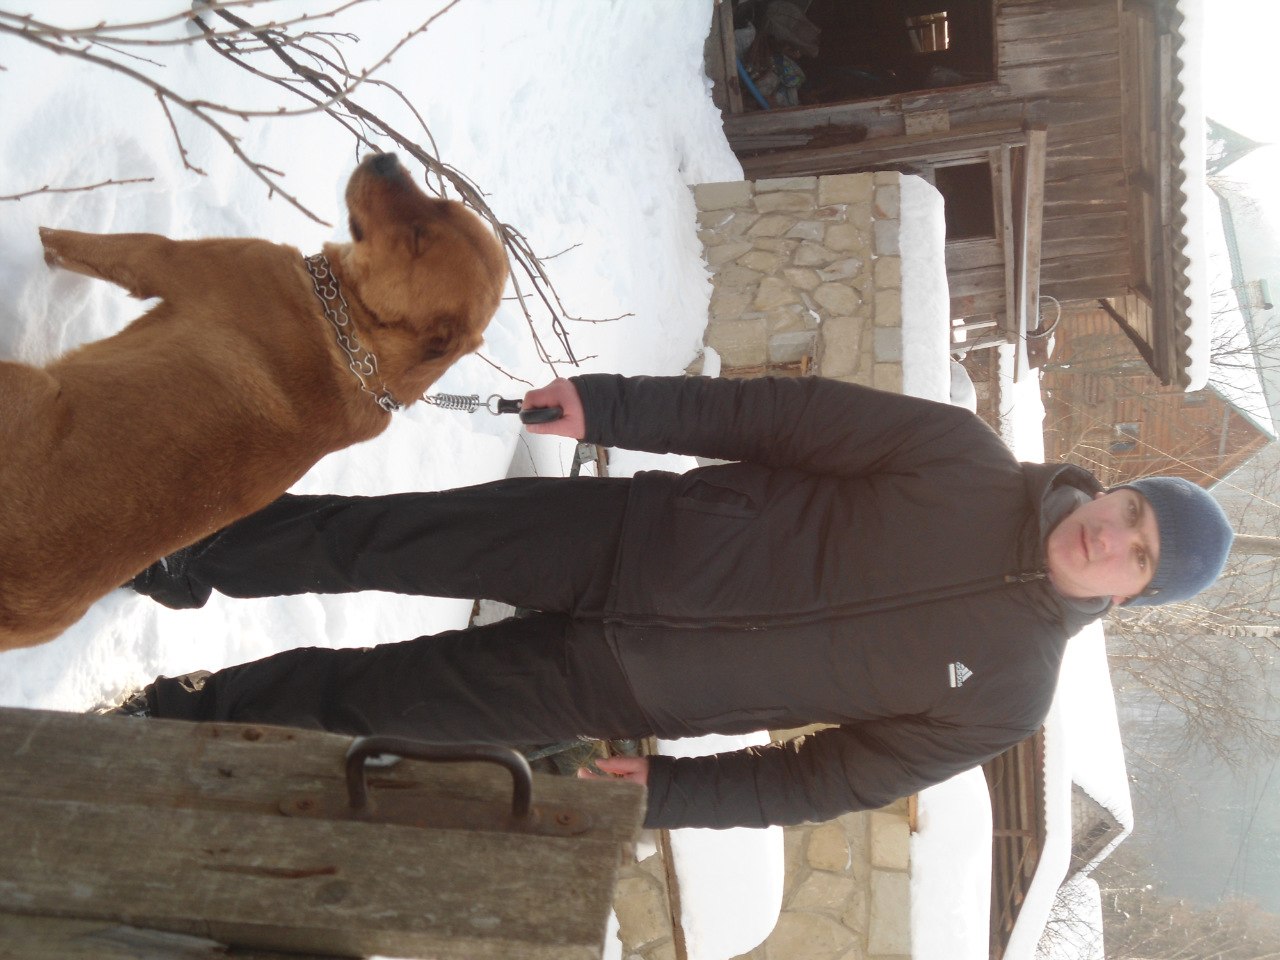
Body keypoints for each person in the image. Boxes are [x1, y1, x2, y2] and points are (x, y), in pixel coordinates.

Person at [118, 374, 1234, 831]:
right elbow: (774, 417)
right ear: (1118, 488)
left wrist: (672, 795)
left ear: (1132, 592)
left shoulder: (1009, 695)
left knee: (372, 701)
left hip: (615, 687)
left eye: (1135, 558)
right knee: (378, 537)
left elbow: (828, 779)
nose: (1110, 538)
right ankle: (180, 547)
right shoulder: (961, 457)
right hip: (625, 537)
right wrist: (608, 406)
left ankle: (174, 719)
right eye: (1130, 512)